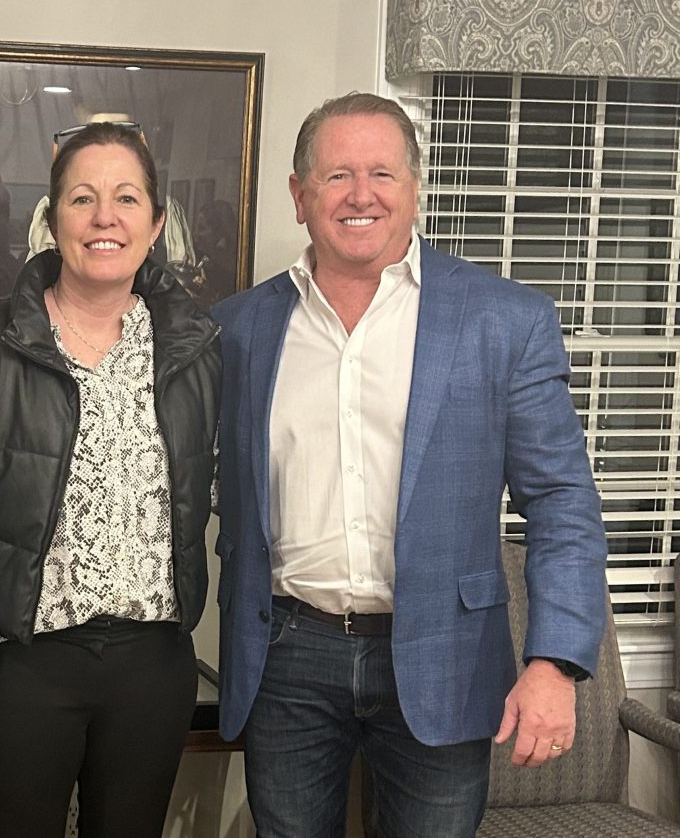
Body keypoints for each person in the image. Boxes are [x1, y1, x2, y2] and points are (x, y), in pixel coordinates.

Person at [212, 92, 607, 837]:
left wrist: (555, 662)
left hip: (445, 657)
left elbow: (561, 502)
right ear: (300, 197)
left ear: (415, 189)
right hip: (287, 656)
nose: (361, 194)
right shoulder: (237, 328)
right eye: (335, 176)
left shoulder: (504, 320)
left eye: (382, 174)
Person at [0, 121, 220, 838]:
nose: (104, 218)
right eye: (83, 198)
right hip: (21, 663)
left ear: (155, 223)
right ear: (52, 218)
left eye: (126, 199)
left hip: (151, 664)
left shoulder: (197, 350)